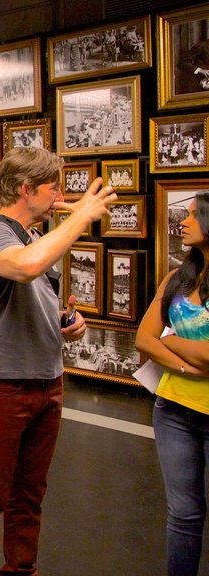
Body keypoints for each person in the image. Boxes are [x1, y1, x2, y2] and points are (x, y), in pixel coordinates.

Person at [0, 147, 116, 576]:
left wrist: (68, 321)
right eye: (52, 187)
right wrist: (82, 215)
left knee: (29, 496)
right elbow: (25, 268)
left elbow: (36, 293)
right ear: (26, 189)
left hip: (48, 383)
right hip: (5, 387)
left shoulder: (34, 236)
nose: (60, 195)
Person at [136, 191, 209, 576]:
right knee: (183, 515)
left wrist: (173, 342)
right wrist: (184, 366)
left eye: (194, 215)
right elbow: (143, 339)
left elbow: (161, 340)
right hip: (173, 410)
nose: (183, 221)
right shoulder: (178, 279)